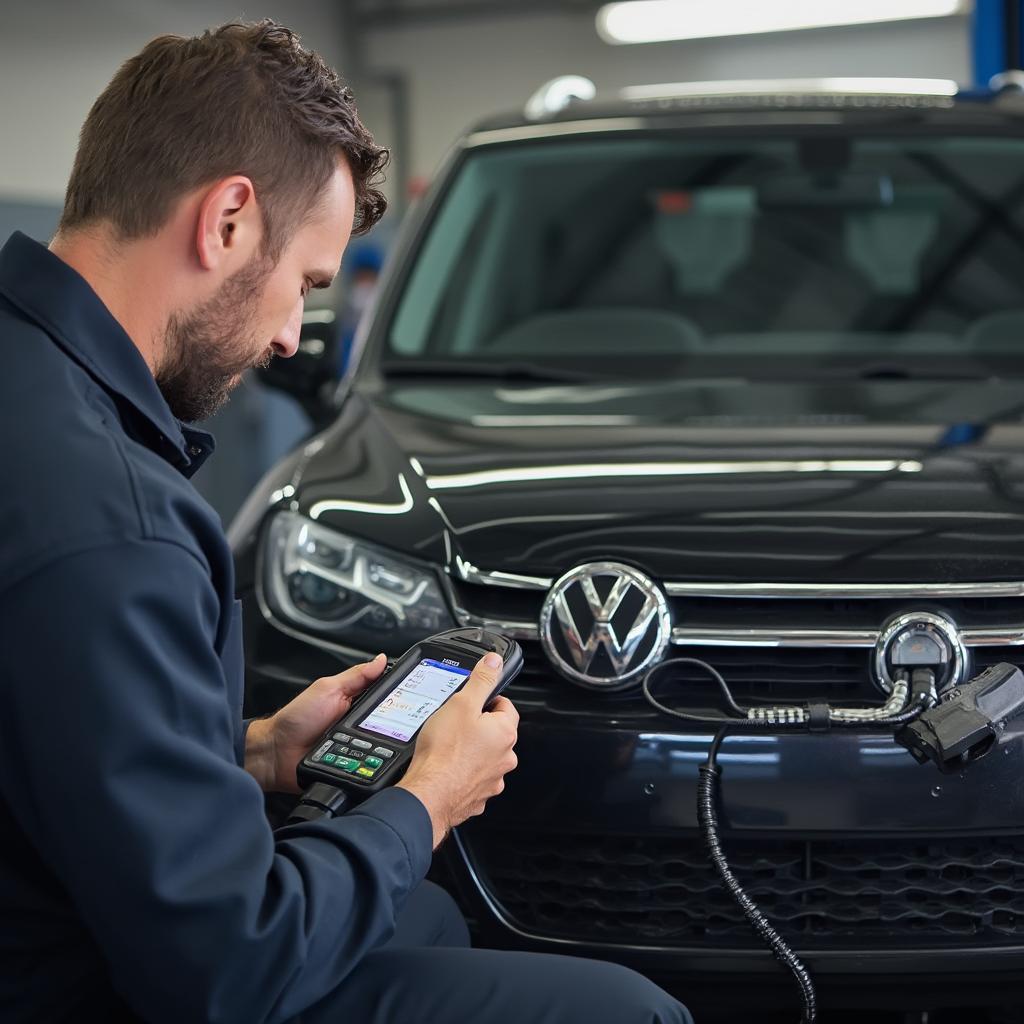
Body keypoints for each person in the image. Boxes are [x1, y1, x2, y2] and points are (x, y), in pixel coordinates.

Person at [0, 20, 692, 1024]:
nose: (289, 334)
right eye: (306, 284)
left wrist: (249, 751)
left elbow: (46, 738)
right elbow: (227, 970)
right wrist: (427, 799)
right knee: (632, 1012)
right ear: (228, 220)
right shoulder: (117, 520)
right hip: (89, 984)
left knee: (424, 920)